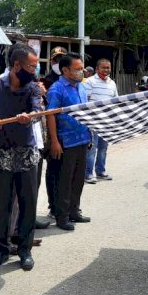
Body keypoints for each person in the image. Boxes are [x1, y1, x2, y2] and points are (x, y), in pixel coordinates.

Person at [0, 44, 43, 270]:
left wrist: (30, 116)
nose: (34, 71)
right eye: (31, 66)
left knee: (28, 203)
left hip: (26, 154)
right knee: (2, 205)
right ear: (16, 65)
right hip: (0, 154)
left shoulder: (33, 88)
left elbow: (38, 111)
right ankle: (0, 249)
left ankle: (24, 250)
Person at [46, 53, 92, 231]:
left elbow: (85, 112)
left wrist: (89, 134)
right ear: (65, 70)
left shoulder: (81, 87)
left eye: (82, 68)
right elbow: (50, 115)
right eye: (77, 69)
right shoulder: (57, 89)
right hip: (66, 142)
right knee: (64, 181)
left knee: (78, 179)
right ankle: (62, 216)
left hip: (82, 139)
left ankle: (74, 211)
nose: (81, 72)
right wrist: (55, 142)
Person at [41, 46, 67, 217]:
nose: (58, 63)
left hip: (69, 132)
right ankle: (53, 205)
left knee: (67, 171)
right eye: (55, 60)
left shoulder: (73, 80)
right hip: (53, 132)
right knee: (53, 170)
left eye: (61, 59)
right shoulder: (45, 81)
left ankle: (66, 206)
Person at [82, 58, 118, 184]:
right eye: (103, 67)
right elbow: (85, 100)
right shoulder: (90, 82)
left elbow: (115, 101)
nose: (106, 70)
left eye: (108, 67)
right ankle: (88, 174)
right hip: (93, 121)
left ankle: (101, 172)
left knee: (103, 148)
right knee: (92, 148)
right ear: (97, 69)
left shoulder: (112, 83)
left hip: (107, 122)